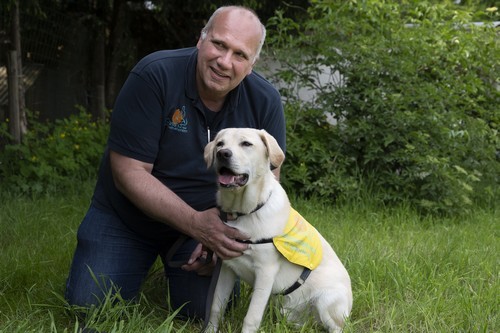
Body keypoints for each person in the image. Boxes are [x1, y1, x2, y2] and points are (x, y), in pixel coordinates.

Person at [65, 5, 286, 320]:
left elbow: (268, 186)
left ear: (251, 65)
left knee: (202, 312)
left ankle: (176, 265)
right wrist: (197, 224)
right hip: (127, 219)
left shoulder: (265, 101)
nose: (224, 62)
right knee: (90, 308)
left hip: (206, 227)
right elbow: (128, 172)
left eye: (239, 55)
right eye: (219, 44)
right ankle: (125, 259)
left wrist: (224, 232)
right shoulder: (154, 74)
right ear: (201, 39)